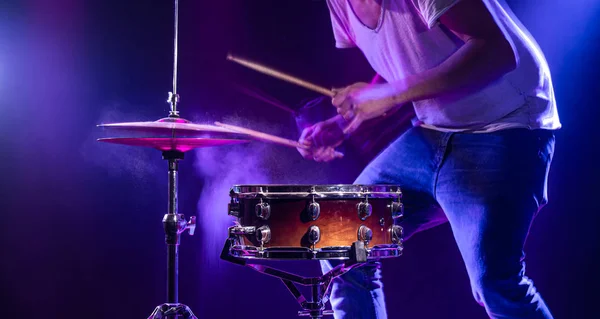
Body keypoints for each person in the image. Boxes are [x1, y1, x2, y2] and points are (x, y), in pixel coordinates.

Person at [296, 0, 560, 318]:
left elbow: (496, 51)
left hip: (508, 123)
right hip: (435, 129)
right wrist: (346, 122)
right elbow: (401, 52)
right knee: (339, 237)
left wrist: (389, 95)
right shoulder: (339, 4)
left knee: (495, 282)